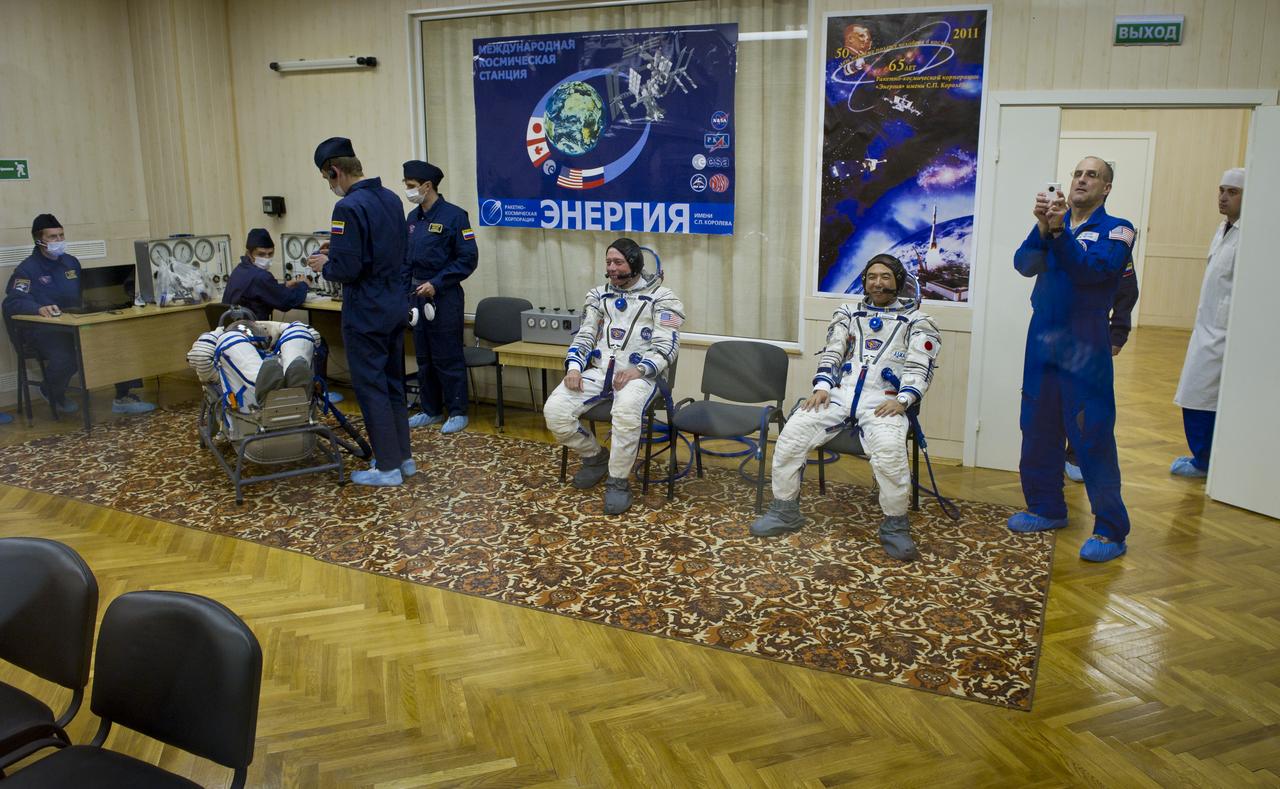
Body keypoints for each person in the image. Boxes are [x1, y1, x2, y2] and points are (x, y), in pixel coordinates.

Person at [750, 254, 941, 561]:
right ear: (864, 281)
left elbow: (920, 367)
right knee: (792, 435)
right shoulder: (848, 314)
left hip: (884, 400)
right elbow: (833, 351)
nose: (877, 283)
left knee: (890, 454)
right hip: (840, 394)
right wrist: (822, 387)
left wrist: (903, 400)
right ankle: (785, 511)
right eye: (871, 277)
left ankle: (895, 526)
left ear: (898, 281)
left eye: (885, 277)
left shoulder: (919, 322)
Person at [1008, 157, 1136, 563]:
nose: (1081, 180)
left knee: (1090, 430)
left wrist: (1060, 231)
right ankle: (1046, 507)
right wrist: (1043, 227)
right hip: (1042, 335)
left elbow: (1091, 272)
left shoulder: (1118, 230)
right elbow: (1024, 264)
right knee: (1037, 422)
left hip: (1084, 337)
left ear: (1106, 188)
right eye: (1077, 173)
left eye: (1091, 175)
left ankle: (1111, 529)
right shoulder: (1052, 224)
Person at [544, 238, 683, 515]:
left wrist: (638, 370)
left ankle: (618, 481)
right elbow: (585, 335)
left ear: (634, 264)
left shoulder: (664, 298)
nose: (611, 268)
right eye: (608, 262)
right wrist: (574, 368)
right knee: (555, 411)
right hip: (599, 372)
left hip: (641, 376)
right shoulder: (598, 296)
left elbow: (668, 346)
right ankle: (595, 457)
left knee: (625, 412)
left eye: (618, 262)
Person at [306, 137, 414, 486]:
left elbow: (348, 269)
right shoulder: (391, 198)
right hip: (394, 304)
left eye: (327, 179)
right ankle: (403, 459)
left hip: (366, 311)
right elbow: (384, 250)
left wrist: (325, 263)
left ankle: (387, 468)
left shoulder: (347, 207)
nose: (330, 186)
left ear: (334, 171)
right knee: (394, 384)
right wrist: (338, 249)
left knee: (371, 388)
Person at [2, 214, 156, 416]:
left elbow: (84, 293)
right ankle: (51, 390)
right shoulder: (27, 270)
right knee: (68, 356)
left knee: (120, 341)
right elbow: (13, 301)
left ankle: (123, 397)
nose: (59, 240)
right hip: (45, 330)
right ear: (39, 240)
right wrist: (37, 308)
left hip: (77, 324)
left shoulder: (71, 262)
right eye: (53, 237)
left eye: (61, 235)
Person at [1171, 168, 1245, 478]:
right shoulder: (1224, 228)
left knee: (1201, 394)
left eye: (1232, 192)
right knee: (1197, 392)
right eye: (1221, 190)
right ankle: (1204, 456)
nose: (1223, 197)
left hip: (1225, 332)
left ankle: (1205, 461)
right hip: (1208, 326)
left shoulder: (1249, 235)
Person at [224, 228, 344, 404]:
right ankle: (317, 394)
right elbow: (287, 301)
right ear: (249, 253)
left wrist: (287, 284)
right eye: (261, 254)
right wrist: (303, 285)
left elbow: (266, 291)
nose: (266, 258)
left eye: (270, 254)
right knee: (318, 343)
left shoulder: (240, 271)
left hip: (235, 332)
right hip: (256, 335)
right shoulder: (260, 276)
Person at [402, 160, 478, 434]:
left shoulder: (455, 216)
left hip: (444, 296)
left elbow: (468, 259)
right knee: (424, 357)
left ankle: (457, 411)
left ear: (427, 186)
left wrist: (437, 283)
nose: (408, 191)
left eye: (412, 186)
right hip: (416, 297)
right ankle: (430, 409)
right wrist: (403, 294)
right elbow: (405, 260)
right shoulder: (412, 218)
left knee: (447, 356)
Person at [1065, 262, 1138, 481]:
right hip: (1050, 328)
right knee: (1051, 398)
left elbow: (1127, 290)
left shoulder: (1113, 240)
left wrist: (1118, 332)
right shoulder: (1056, 238)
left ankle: (1077, 455)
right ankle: (1051, 453)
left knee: (1085, 399)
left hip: (1090, 332)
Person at [187, 315, 319, 410]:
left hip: (288, 386)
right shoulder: (222, 367)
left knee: (298, 332)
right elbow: (200, 355)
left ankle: (294, 387)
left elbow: (312, 335)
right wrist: (220, 332)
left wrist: (272, 326)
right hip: (252, 404)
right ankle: (269, 388)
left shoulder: (275, 361)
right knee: (229, 338)